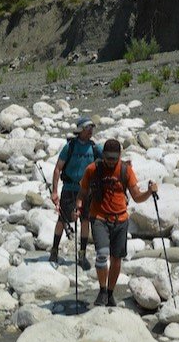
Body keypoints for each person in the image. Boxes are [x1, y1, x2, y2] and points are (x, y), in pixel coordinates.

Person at [77, 138, 158, 307]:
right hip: (99, 217)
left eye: (114, 158)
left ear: (120, 155)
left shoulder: (125, 170)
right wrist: (78, 205)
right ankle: (102, 290)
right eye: (108, 158)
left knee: (116, 258)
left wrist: (150, 192)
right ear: (103, 155)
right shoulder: (92, 169)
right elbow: (83, 192)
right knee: (102, 254)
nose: (111, 161)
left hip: (121, 219)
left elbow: (136, 197)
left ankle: (110, 293)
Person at [50, 116, 100, 268]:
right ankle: (54, 251)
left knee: (85, 220)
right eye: (87, 128)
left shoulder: (94, 147)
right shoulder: (70, 147)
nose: (91, 130)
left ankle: (82, 254)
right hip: (69, 189)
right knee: (63, 220)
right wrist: (54, 191)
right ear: (80, 130)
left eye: (92, 127)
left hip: (86, 191)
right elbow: (58, 169)